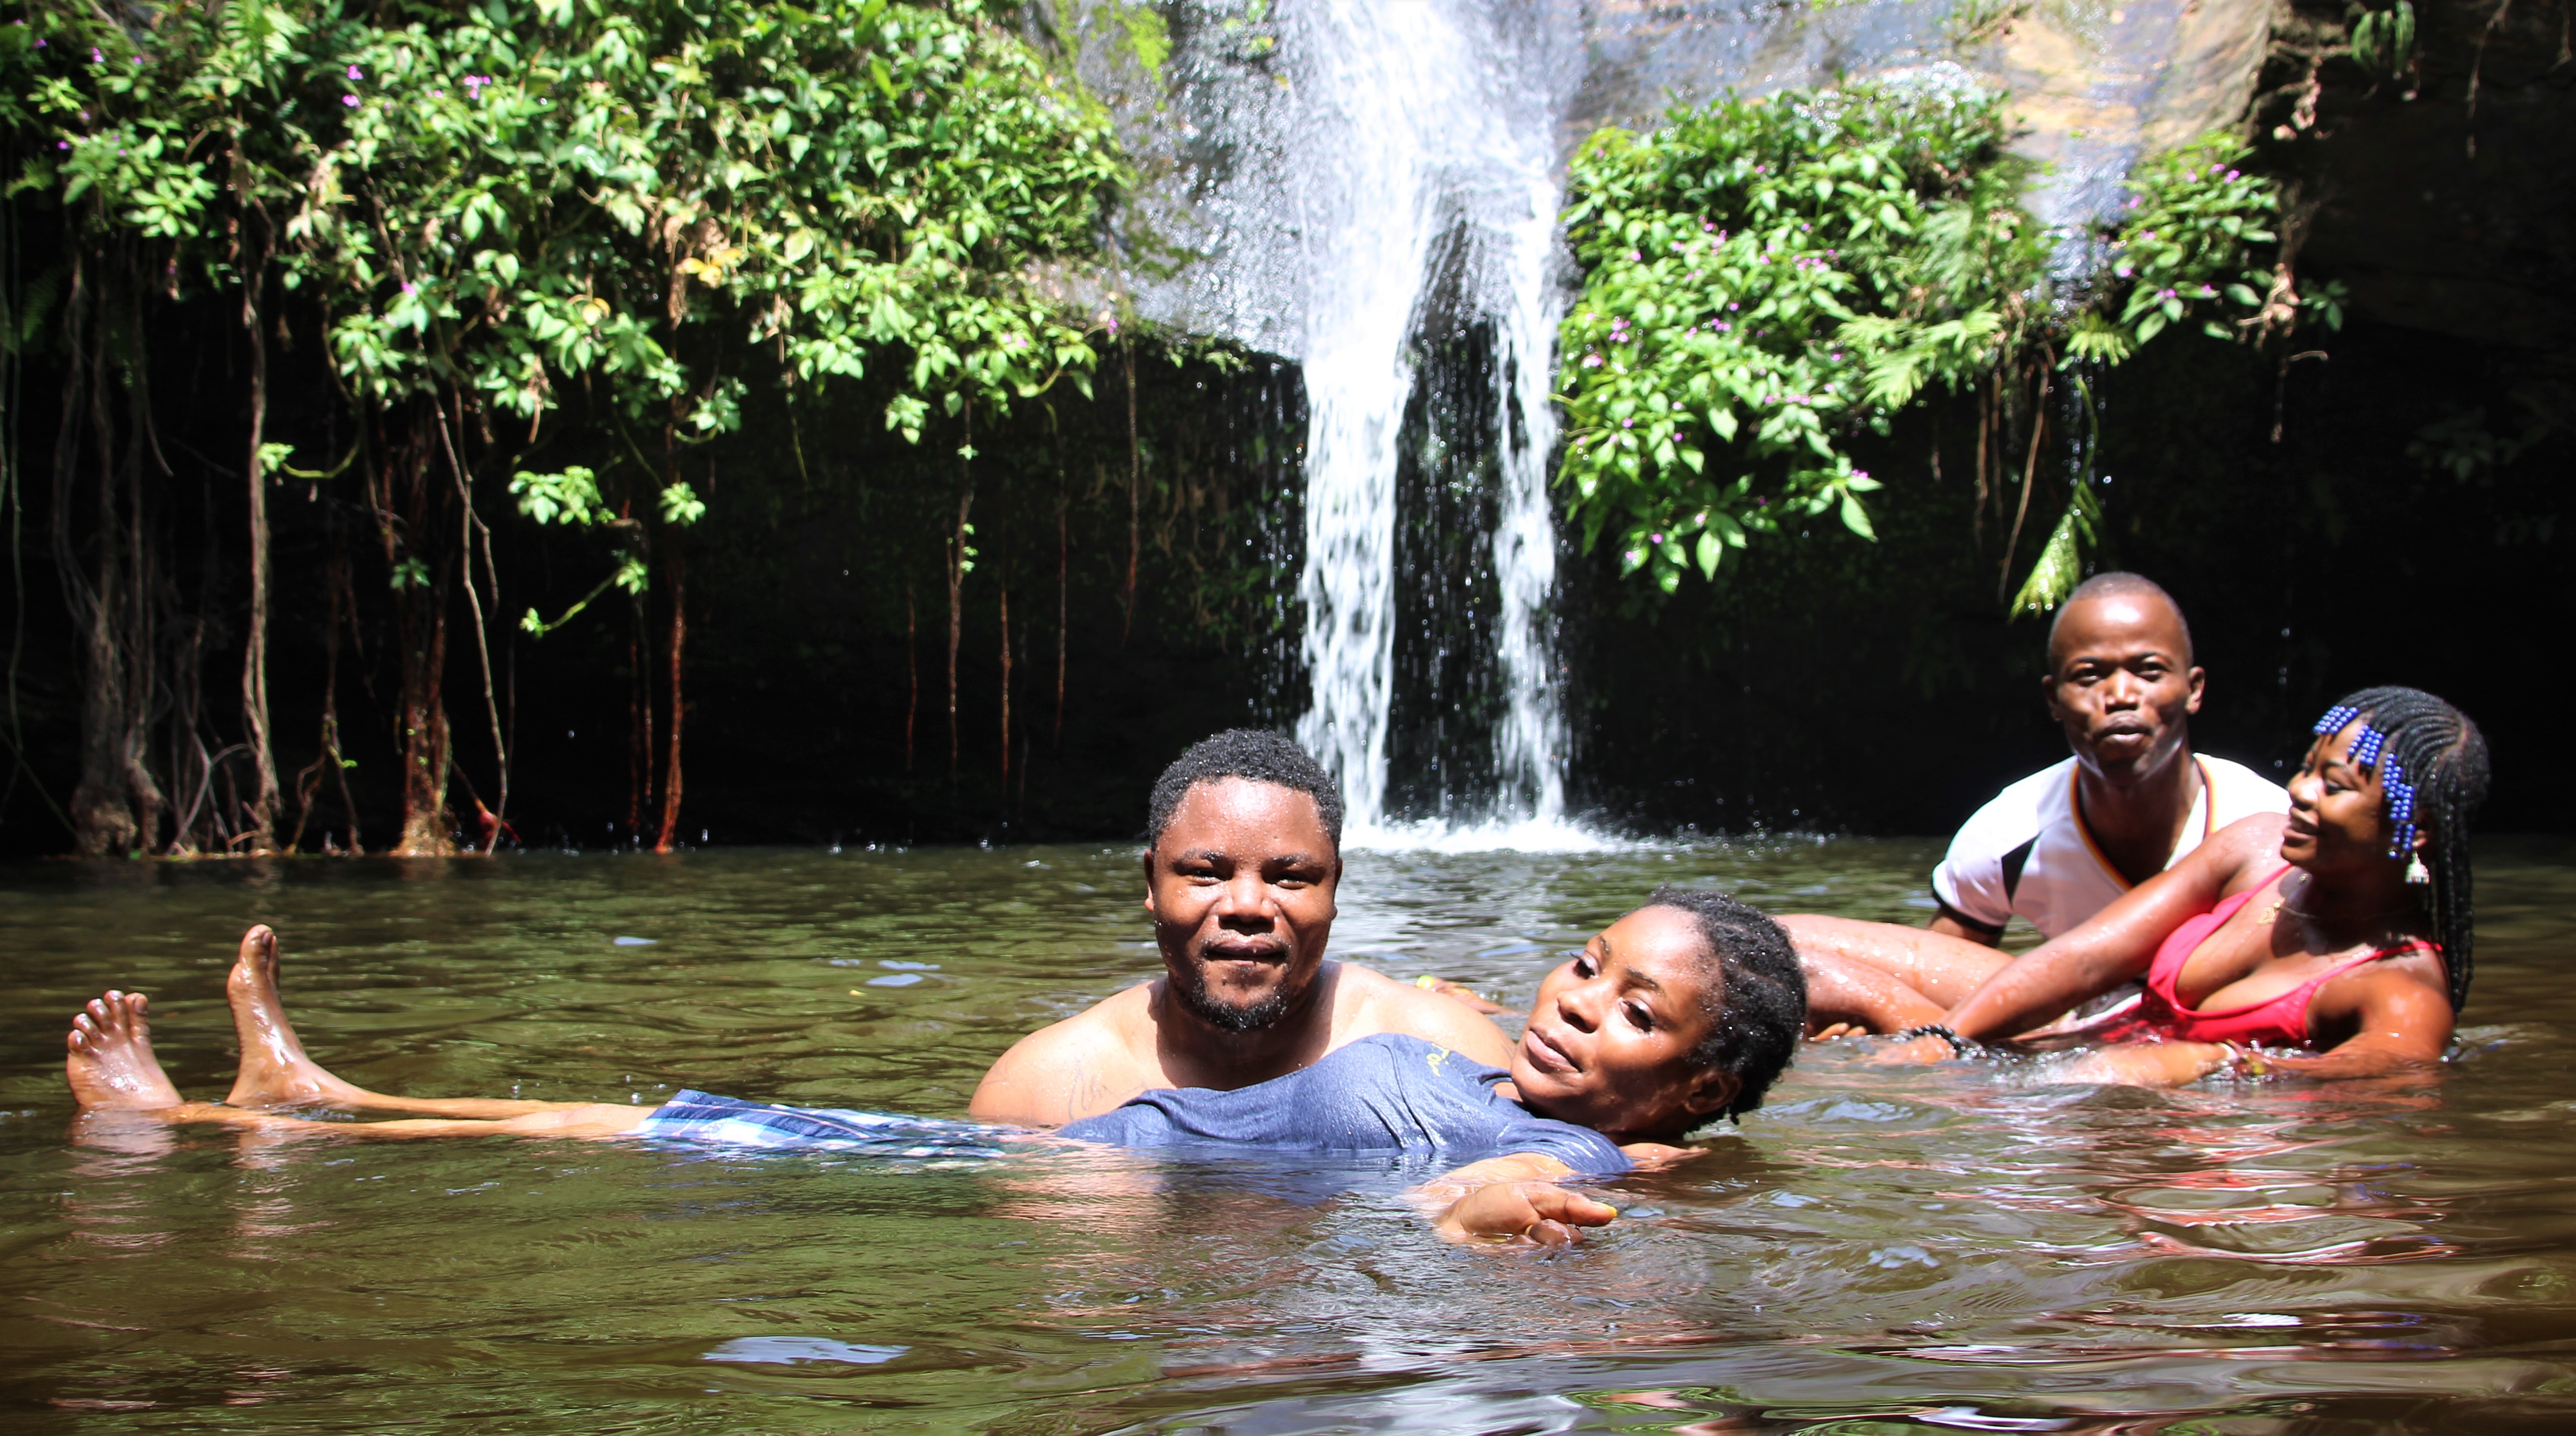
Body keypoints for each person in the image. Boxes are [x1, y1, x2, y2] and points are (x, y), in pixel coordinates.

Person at [64, 889, 1809, 1242]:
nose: (1579, 999)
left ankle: (228, 1115)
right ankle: (318, 1096)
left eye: (1635, 1013)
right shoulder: (1497, 1062)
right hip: (1021, 1156)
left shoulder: (1596, 1162)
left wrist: (1471, 1213)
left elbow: (1480, 1214)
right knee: (669, 1110)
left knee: (665, 1133)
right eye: (1587, 957)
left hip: (1015, 1188)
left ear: (1693, 1089)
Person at [1788, 686, 2487, 1087]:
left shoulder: (2398, 989)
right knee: (1773, 943)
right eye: (2306, 767)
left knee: (2080, 1076)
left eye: (2331, 785)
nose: (2299, 791)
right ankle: (1905, 1032)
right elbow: (2084, 958)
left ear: (2415, 829)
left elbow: (2381, 1083)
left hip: (2106, 1083)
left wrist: (2210, 1062)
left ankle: (1878, 1037)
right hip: (2078, 1022)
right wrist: (1948, 1038)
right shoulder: (2254, 843)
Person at [965, 729, 1517, 1125]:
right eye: (1205, 874)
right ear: (1152, 883)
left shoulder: (1452, 1051)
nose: (1248, 904)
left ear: (1335, 888)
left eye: (1291, 877)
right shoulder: (1037, 1092)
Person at [1927, 573, 2288, 948]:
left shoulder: (2273, 823)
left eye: (2149, 671)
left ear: (2193, 689)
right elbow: (1939, 974)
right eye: (2088, 676)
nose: (2119, 695)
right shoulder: (2006, 835)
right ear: (2053, 699)